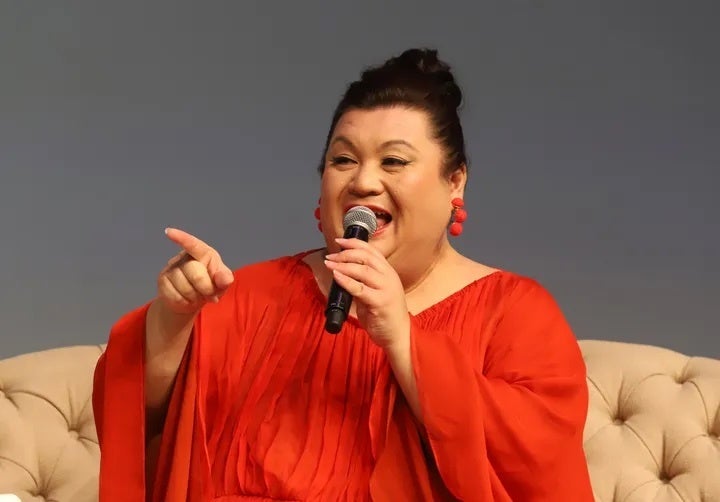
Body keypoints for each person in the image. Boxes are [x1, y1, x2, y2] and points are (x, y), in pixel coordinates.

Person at [92, 48, 595, 501]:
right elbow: (142, 422)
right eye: (343, 160)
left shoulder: (516, 311)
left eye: (393, 161)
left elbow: (537, 464)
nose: (363, 181)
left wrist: (404, 343)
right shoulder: (253, 294)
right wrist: (173, 319)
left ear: (455, 182)